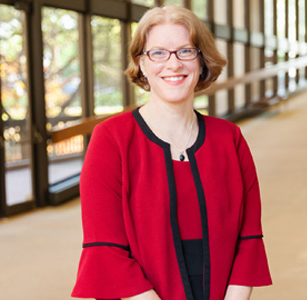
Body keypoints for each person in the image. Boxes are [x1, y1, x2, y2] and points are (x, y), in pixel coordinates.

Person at [72, 5, 272, 300]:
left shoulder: (229, 139)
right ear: (141, 63)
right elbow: (106, 250)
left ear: (202, 61)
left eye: (185, 51)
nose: (173, 64)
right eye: (158, 53)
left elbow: (249, 240)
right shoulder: (111, 139)